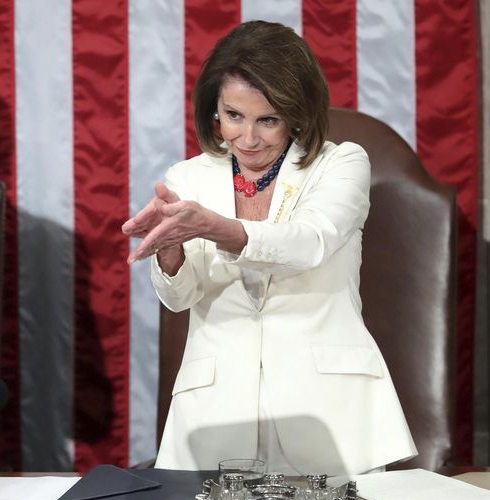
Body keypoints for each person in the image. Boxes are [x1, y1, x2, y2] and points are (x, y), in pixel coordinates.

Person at [122, 21, 417, 476]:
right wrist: (170, 251)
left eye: (269, 120)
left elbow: (309, 242)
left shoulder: (341, 163)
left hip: (330, 415)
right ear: (213, 110)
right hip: (214, 416)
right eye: (233, 116)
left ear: (297, 114)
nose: (248, 138)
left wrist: (218, 228)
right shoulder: (188, 178)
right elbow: (179, 299)